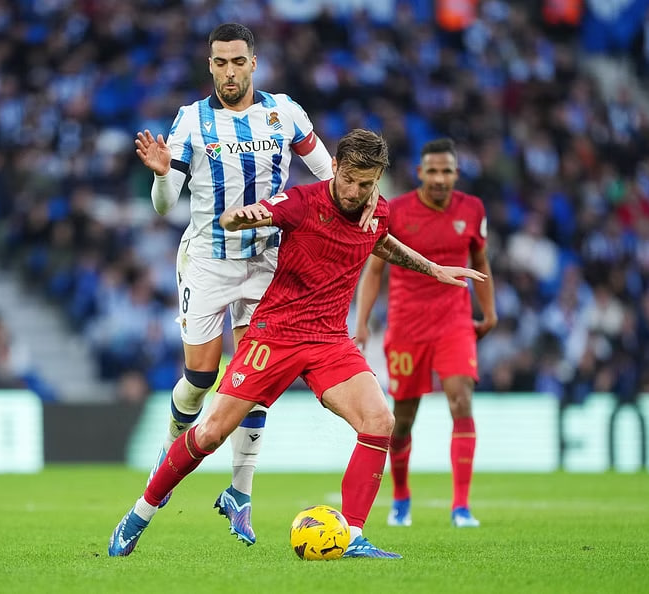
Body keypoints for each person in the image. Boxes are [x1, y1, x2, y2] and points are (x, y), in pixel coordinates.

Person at [108, 129, 488, 558]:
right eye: (348, 179)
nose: (355, 190)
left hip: (329, 341)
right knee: (212, 433)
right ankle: (138, 514)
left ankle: (353, 535)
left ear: (378, 178)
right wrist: (243, 216)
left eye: (366, 183)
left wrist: (434, 269)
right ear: (336, 168)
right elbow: (242, 218)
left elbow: (379, 241)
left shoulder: (376, 210)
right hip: (277, 334)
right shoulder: (302, 203)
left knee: (379, 420)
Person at [134, 23, 377, 545]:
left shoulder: (284, 113)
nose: (228, 71)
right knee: (201, 379)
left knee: (255, 376)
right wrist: (159, 174)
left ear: (253, 62)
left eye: (237, 61)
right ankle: (173, 448)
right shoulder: (190, 122)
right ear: (210, 65)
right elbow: (164, 205)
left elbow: (328, 174)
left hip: (269, 263)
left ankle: (239, 493)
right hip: (208, 261)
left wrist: (368, 196)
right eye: (219, 62)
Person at [354, 138, 497, 528]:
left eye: (446, 171)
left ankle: (461, 507)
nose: (438, 178)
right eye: (431, 171)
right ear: (420, 173)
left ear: (455, 174)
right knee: (402, 418)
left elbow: (480, 260)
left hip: (454, 322)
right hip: (407, 326)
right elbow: (375, 269)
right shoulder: (396, 211)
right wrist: (362, 321)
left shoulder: (472, 210)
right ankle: (401, 498)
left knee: (460, 401)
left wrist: (490, 311)